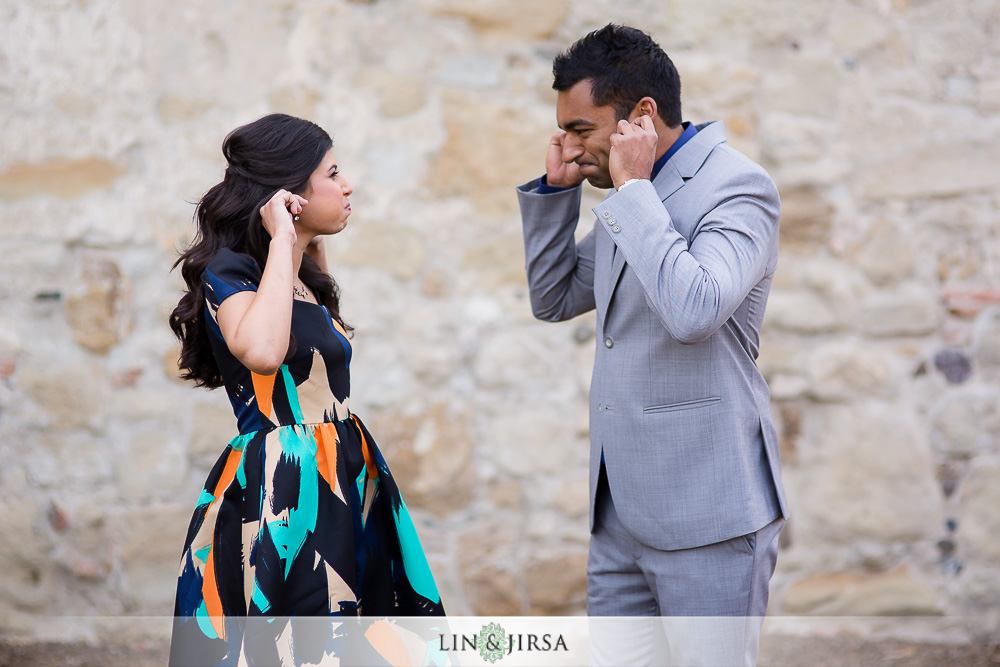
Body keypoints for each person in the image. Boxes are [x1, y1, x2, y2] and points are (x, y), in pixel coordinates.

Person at [516, 24, 789, 665]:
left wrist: (634, 190)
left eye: (581, 130)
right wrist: (557, 196)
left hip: (710, 515)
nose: (569, 145)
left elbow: (695, 311)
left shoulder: (738, 189)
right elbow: (555, 298)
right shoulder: (631, 189)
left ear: (642, 114)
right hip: (618, 518)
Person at [167, 113, 444, 665]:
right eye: (333, 173)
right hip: (282, 483)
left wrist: (296, 249)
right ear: (288, 194)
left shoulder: (301, 270)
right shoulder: (232, 273)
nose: (347, 186)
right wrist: (282, 240)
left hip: (343, 466)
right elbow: (265, 353)